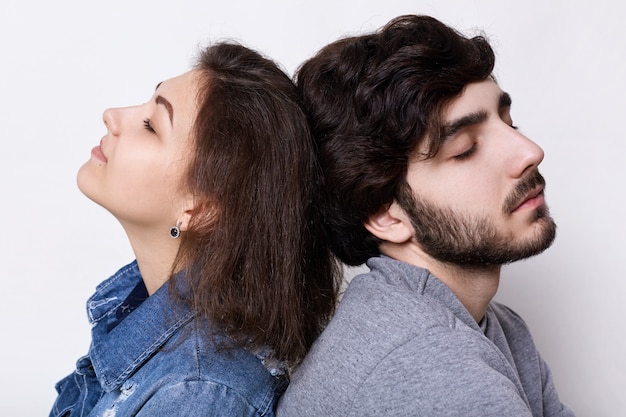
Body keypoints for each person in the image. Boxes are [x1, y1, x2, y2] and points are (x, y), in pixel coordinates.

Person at [277, 15, 575, 417]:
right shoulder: (429, 364)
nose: (530, 151)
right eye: (466, 148)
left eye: (508, 122)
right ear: (385, 214)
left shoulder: (500, 329)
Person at [49, 42, 339, 417]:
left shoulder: (197, 394)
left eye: (152, 126)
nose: (113, 116)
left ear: (199, 208)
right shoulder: (139, 307)